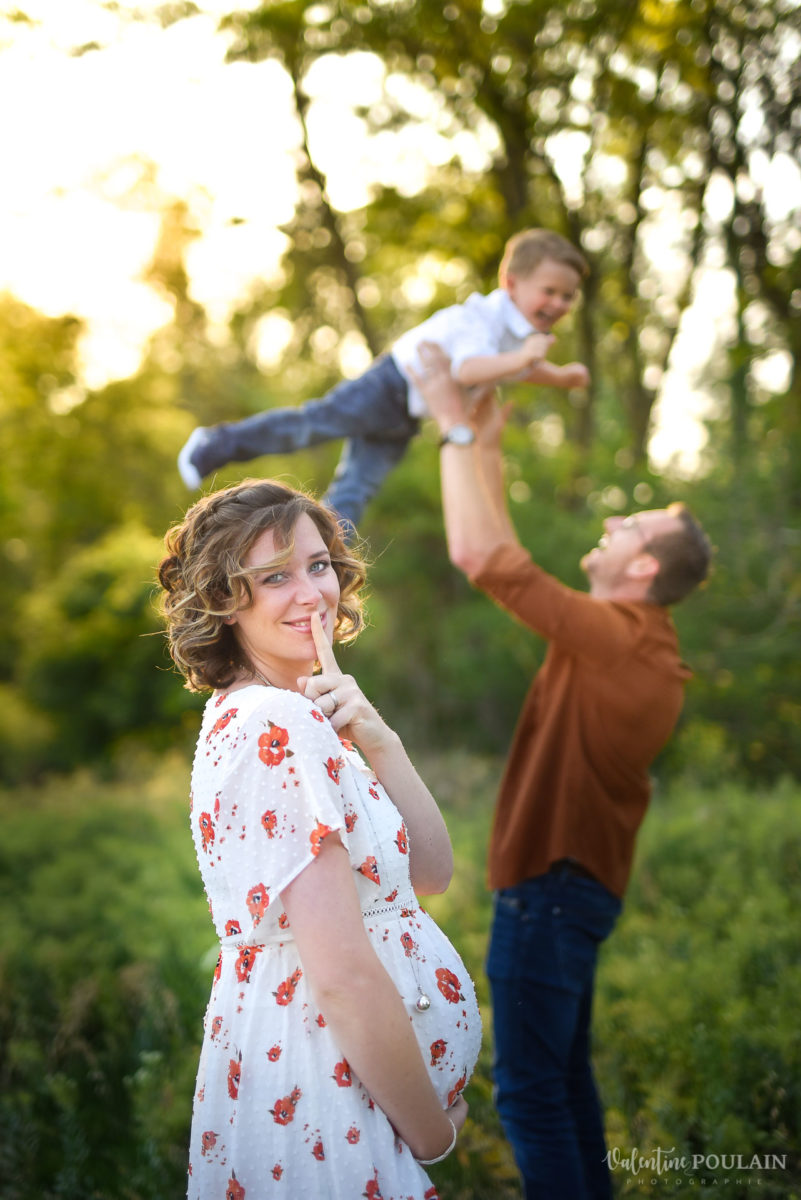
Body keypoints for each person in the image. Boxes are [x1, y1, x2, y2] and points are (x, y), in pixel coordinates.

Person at [413, 344, 711, 1200]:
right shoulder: (634, 641)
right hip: (569, 895)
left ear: (643, 568)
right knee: (563, 1086)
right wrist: (484, 449)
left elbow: (481, 559)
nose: (613, 524)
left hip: (549, 893)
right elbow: (498, 548)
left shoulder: (617, 638)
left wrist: (452, 423)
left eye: (631, 527)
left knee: (530, 1096)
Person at [157, 478, 481, 1200]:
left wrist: (378, 738)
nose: (312, 594)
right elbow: (341, 975)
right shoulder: (277, 724)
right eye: (275, 577)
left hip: (337, 1082)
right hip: (327, 1090)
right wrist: (432, 1134)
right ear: (223, 600)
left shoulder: (285, 716)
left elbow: (428, 873)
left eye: (319, 565)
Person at [177, 229, 589, 531]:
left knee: (358, 488)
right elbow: (468, 370)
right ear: (512, 283)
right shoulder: (480, 318)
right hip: (388, 386)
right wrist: (526, 357)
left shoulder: (518, 337)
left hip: (405, 415)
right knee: (309, 426)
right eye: (550, 291)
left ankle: (327, 558)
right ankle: (215, 444)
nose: (558, 303)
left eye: (568, 296)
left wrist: (560, 376)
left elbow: (515, 367)